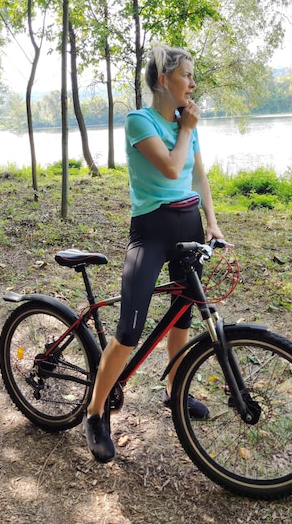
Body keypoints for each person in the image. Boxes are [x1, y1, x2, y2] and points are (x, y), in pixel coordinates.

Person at [83, 43, 224, 463]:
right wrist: (186, 129)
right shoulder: (139, 121)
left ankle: (174, 391)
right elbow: (169, 167)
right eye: (187, 75)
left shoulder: (188, 124)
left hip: (189, 224)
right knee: (129, 330)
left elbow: (198, 174)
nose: (193, 83)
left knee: (181, 317)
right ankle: (94, 414)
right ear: (164, 80)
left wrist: (212, 222)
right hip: (152, 230)